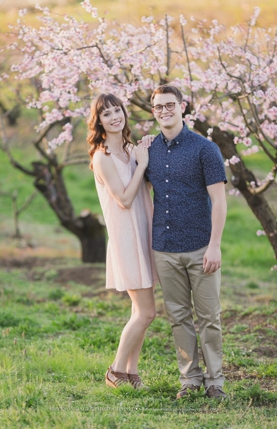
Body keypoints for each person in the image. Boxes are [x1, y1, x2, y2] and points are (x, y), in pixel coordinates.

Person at [145, 84, 227, 400]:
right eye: (158, 107)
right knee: (178, 317)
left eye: (170, 105)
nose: (164, 111)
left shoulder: (205, 149)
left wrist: (215, 245)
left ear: (183, 106)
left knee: (209, 317)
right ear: (153, 111)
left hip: (200, 247)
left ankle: (215, 381)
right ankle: (189, 380)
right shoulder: (148, 149)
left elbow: (219, 201)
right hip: (164, 247)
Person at [87, 93, 159, 390]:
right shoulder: (102, 157)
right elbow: (125, 199)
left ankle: (131, 373)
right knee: (147, 312)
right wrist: (142, 165)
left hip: (145, 233)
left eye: (118, 111)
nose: (115, 117)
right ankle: (115, 371)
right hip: (126, 239)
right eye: (107, 114)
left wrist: (149, 153)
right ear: (99, 122)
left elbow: (147, 189)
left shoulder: (131, 149)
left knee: (138, 312)